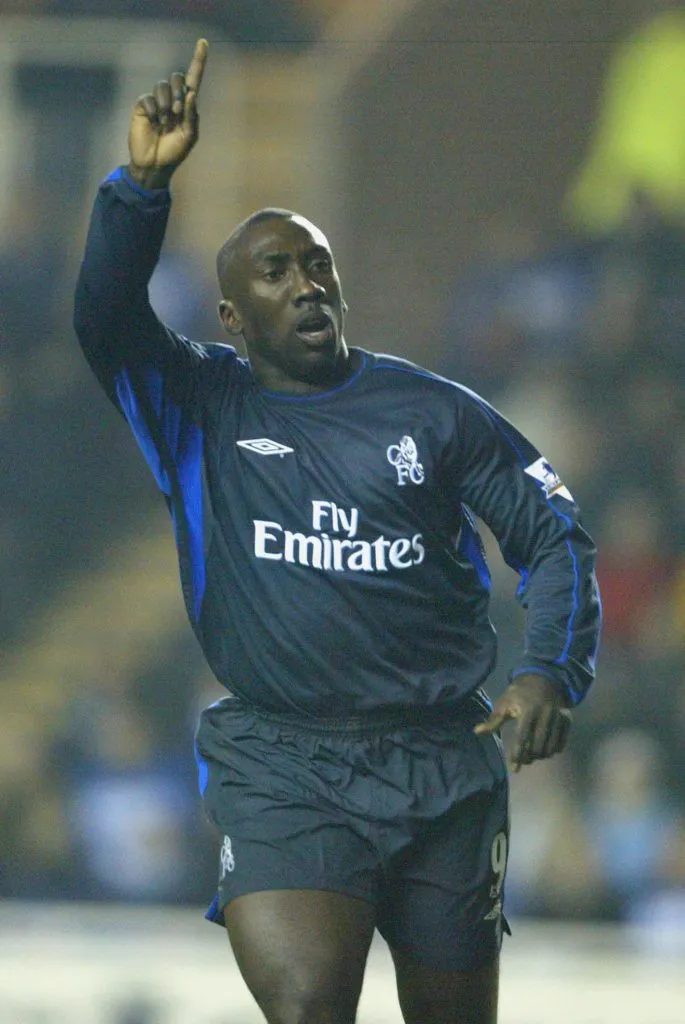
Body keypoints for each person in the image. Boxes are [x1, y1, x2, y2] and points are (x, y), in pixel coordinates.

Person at [73, 39, 601, 1024]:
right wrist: (141, 185)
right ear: (233, 316)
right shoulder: (195, 405)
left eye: (318, 265)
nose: (308, 284)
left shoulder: (437, 414)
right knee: (311, 1001)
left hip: (443, 759)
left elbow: (554, 534)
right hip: (283, 763)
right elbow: (104, 319)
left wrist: (547, 672)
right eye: (276, 273)